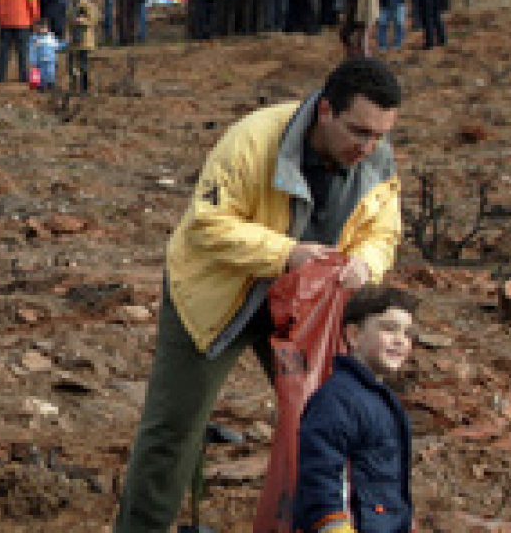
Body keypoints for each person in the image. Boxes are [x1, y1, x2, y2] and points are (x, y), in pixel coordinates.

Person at [113, 57, 404, 532]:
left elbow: (383, 233)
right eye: (358, 132)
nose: (367, 147)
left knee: (337, 422)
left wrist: (366, 263)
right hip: (218, 294)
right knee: (173, 431)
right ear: (326, 110)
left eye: (379, 135)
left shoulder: (377, 160)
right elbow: (208, 225)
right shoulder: (255, 139)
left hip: (305, 309)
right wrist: (288, 253)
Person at [293, 286, 418, 533]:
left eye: (408, 333)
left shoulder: (382, 400)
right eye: (388, 328)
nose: (400, 340)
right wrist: (333, 524)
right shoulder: (337, 400)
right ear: (354, 335)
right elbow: (320, 473)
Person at [66, 0, 99, 94]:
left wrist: (82, 21)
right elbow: (68, 23)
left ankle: (84, 88)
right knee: (71, 66)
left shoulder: (87, 6)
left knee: (83, 65)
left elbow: (94, 20)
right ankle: (74, 87)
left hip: (84, 40)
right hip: (73, 41)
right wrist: (67, 36)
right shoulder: (71, 8)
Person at [27, 20, 64, 91]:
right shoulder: (34, 39)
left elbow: (57, 45)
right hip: (40, 60)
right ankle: (41, 86)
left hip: (51, 59)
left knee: (51, 72)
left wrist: (64, 44)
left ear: (48, 28)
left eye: (44, 28)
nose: (42, 30)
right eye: (40, 28)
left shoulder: (51, 37)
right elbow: (32, 50)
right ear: (36, 28)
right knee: (41, 74)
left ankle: (51, 85)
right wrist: (33, 61)